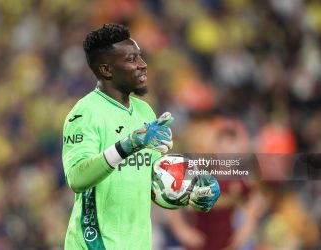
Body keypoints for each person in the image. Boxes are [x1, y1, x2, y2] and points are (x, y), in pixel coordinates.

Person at [61, 23, 220, 250]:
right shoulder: (85, 113)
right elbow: (77, 178)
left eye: (140, 57)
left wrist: (192, 188)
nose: (143, 65)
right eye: (131, 59)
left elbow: (151, 183)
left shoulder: (145, 111)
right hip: (95, 244)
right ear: (107, 70)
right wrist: (129, 144)